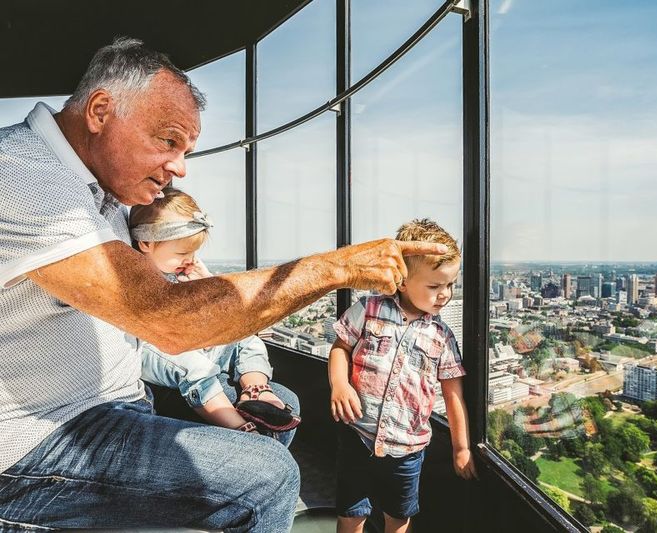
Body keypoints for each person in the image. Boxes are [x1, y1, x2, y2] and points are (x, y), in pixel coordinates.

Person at [0, 37, 445, 532]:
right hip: (35, 445)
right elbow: (167, 318)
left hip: (109, 406)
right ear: (101, 111)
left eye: (186, 149)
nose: (179, 168)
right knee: (267, 477)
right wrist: (336, 268)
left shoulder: (90, 191)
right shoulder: (23, 178)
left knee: (283, 408)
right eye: (167, 140)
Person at [329, 219, 477, 533]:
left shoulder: (443, 337)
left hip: (406, 450)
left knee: (397, 519)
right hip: (358, 437)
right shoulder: (368, 309)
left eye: (450, 285)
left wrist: (461, 448)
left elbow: (453, 396)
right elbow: (340, 347)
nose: (445, 295)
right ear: (402, 281)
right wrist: (339, 384)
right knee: (351, 514)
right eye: (435, 286)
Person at [130, 187, 301, 441]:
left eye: (193, 253)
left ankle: (255, 389)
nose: (189, 260)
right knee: (193, 365)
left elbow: (219, 316)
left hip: (187, 342)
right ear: (146, 243)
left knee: (246, 338)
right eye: (181, 253)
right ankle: (238, 428)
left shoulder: (181, 273)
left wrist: (205, 285)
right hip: (154, 348)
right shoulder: (136, 277)